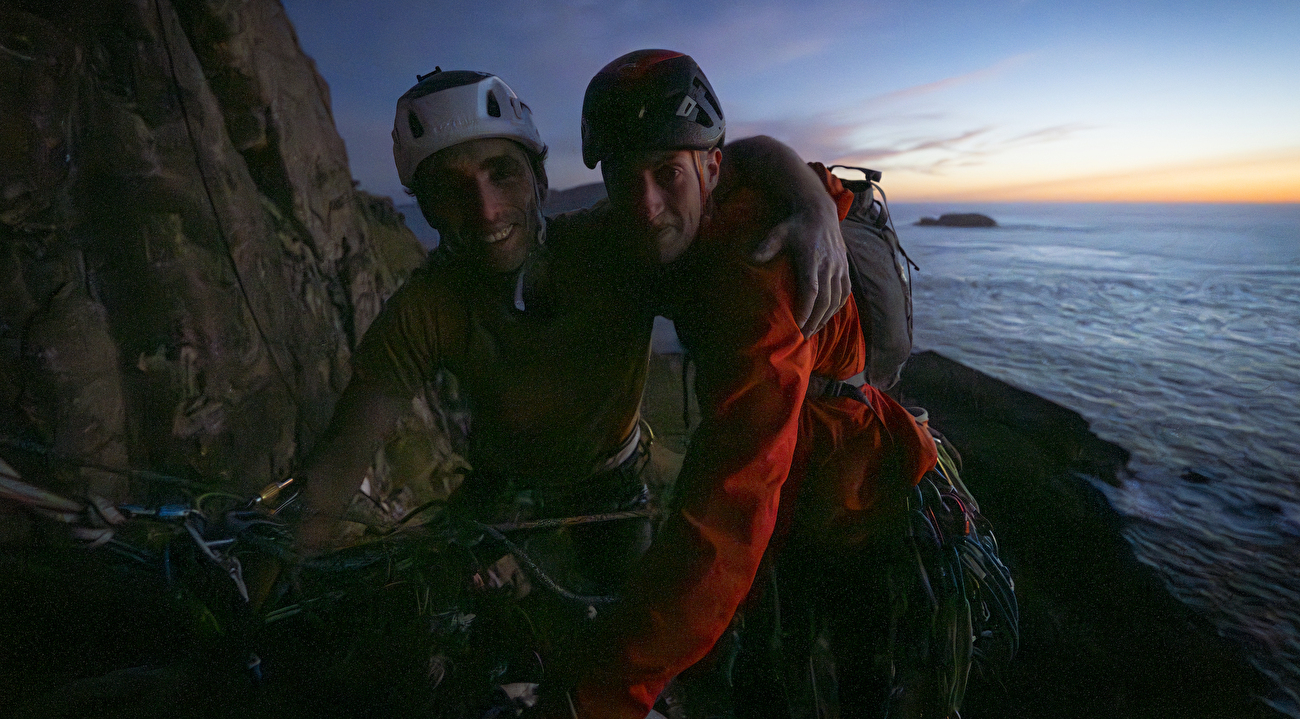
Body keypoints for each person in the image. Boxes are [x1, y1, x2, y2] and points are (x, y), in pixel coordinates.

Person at [295, 68, 847, 594]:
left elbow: (728, 157)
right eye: (450, 188)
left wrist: (811, 199)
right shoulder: (427, 308)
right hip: (498, 490)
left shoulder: (615, 246)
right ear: (429, 209)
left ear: (538, 178)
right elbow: (344, 453)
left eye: (501, 173)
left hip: (611, 489)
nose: (486, 211)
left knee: (619, 625)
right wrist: (282, 578)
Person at [562, 50, 940, 717]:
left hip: (850, 499)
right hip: (802, 489)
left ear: (710, 166)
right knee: (778, 674)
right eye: (625, 178)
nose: (646, 206)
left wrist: (597, 696)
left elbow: (727, 520)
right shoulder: (705, 192)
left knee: (846, 686)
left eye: (665, 173)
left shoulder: (755, 270)